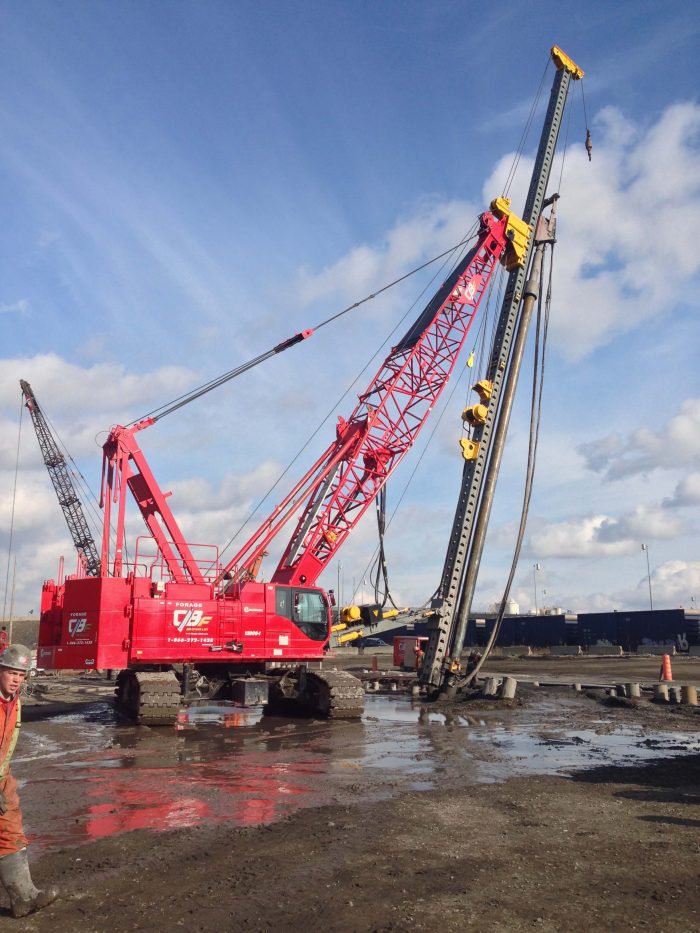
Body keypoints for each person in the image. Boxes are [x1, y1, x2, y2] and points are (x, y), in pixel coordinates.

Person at [0, 644, 58, 918]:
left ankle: (24, 897)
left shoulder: (14, 702)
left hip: (2, 777)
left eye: (21, 675)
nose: (16, 680)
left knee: (11, 831)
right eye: (12, 673)